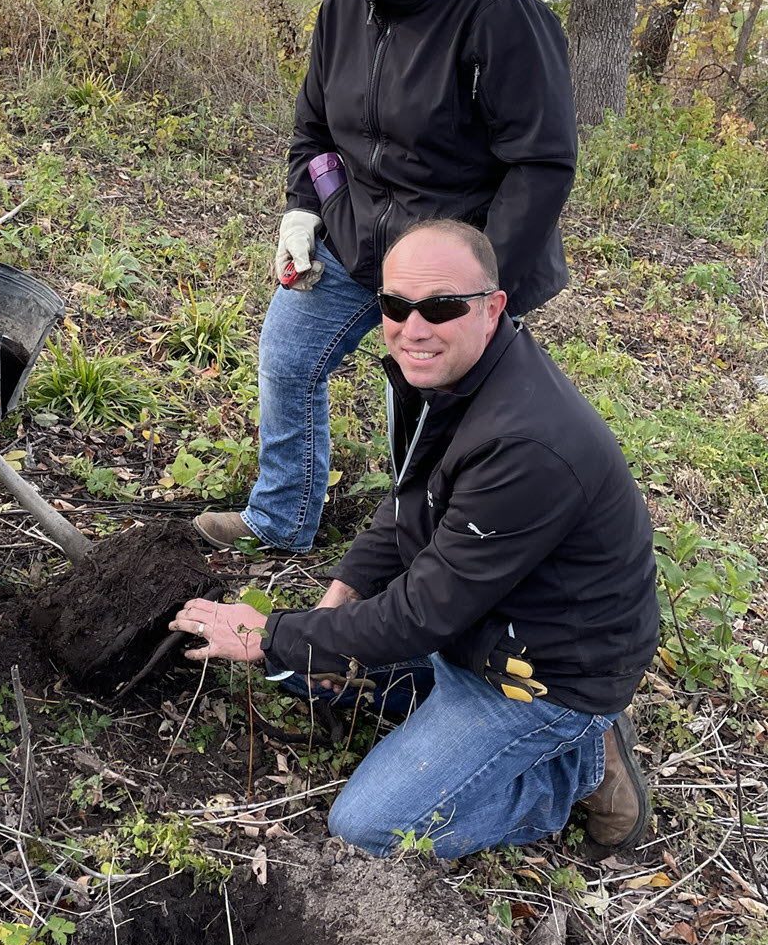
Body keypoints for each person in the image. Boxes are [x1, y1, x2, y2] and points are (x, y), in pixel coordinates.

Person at [171, 221, 659, 859]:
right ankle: (443, 719)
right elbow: (408, 501)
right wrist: (340, 593)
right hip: (478, 628)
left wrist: (267, 633)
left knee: (368, 828)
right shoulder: (453, 378)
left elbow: (420, 616)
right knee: (301, 669)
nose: (414, 326)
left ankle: (576, 767)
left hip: (540, 674)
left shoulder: (526, 445)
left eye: (442, 306)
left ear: (493, 309)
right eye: (395, 305)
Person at [193, 0, 578, 553]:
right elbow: (315, 131)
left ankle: (422, 552)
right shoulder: (344, 6)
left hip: (452, 260)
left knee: (432, 409)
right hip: (355, 236)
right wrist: (305, 213)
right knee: (288, 357)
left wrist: (475, 290)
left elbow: (543, 162)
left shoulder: (500, 15)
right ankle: (281, 517)